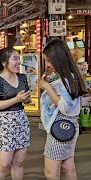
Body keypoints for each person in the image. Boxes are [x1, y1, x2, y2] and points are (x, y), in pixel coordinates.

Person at [39, 39, 87, 180]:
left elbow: (64, 107)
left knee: (51, 173)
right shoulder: (71, 77)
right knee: (68, 168)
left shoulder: (66, 79)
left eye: (49, 60)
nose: (47, 64)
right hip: (69, 127)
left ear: (58, 59)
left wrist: (46, 87)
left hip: (59, 128)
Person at [0, 47, 31, 179]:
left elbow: (26, 100)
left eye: (19, 58)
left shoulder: (22, 77)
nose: (18, 62)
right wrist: (17, 99)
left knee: (19, 162)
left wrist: (26, 99)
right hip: (4, 124)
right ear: (4, 62)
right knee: (3, 164)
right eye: (15, 58)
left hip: (21, 121)